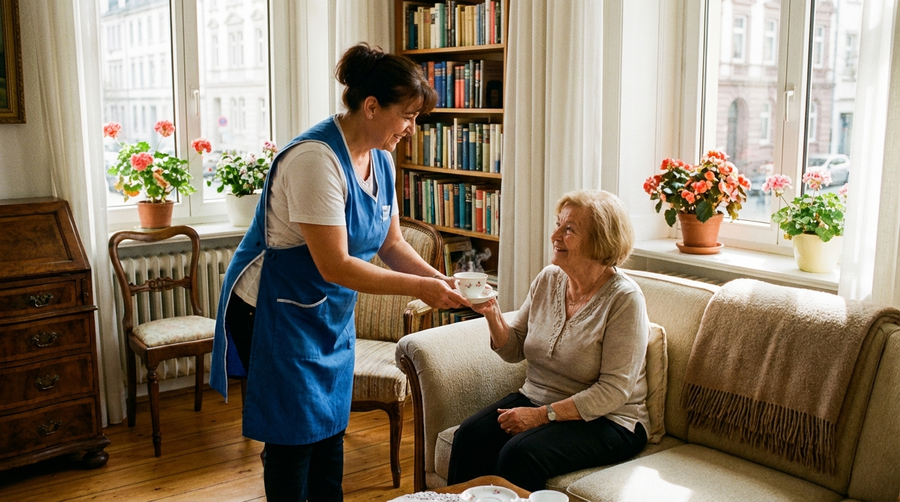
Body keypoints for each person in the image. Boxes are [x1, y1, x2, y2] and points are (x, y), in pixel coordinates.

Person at [209, 43, 469, 501]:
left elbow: (392, 244)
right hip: (274, 310)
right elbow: (336, 264)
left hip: (326, 310)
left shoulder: (382, 159)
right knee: (294, 439)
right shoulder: (315, 159)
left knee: (329, 430)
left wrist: (439, 281)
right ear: (371, 107)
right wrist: (421, 288)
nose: (411, 129)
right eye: (407, 116)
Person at [446, 190, 650, 492]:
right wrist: (492, 312)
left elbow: (613, 391)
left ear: (600, 240)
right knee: (470, 435)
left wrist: (542, 416)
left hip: (610, 420)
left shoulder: (624, 299)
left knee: (520, 454)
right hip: (538, 397)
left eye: (569, 229)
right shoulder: (549, 279)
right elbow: (514, 348)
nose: (554, 235)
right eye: (558, 224)